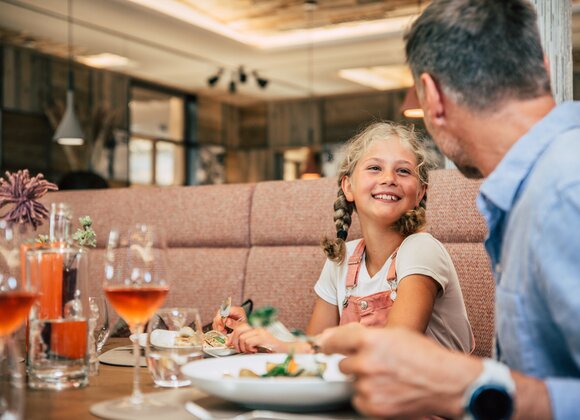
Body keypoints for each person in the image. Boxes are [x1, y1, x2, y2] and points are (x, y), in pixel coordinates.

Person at [318, 0, 580, 419]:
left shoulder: (564, 192)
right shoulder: (533, 190)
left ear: (433, 98)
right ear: (544, 68)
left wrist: (475, 388)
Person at [214, 122, 473, 355]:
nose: (388, 179)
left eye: (403, 171)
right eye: (374, 168)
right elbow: (313, 349)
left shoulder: (421, 249)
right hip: (364, 396)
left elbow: (393, 348)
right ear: (348, 186)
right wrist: (257, 334)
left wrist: (285, 343)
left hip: (428, 403)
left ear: (420, 193)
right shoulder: (342, 258)